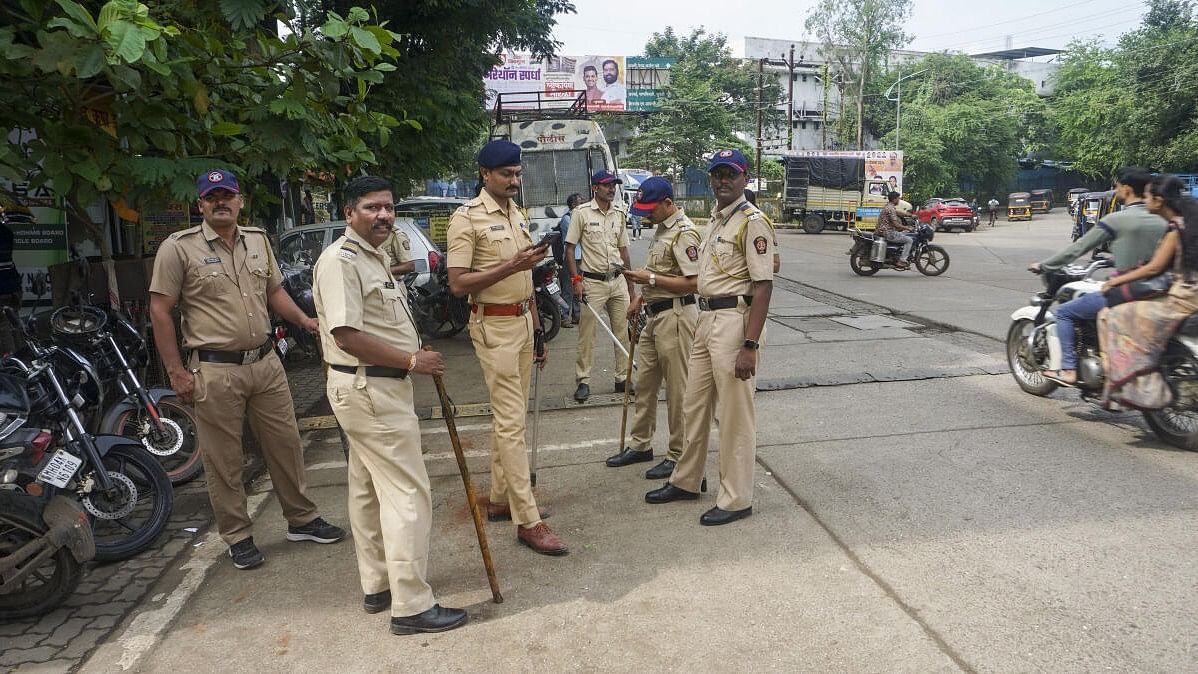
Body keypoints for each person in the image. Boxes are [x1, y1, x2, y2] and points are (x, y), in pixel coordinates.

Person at [148, 169, 346, 570]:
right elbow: (160, 310)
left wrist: (306, 321)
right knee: (225, 460)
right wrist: (176, 371)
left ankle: (302, 518)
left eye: (228, 195)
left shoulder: (257, 240)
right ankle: (238, 536)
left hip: (266, 362)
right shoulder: (178, 248)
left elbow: (274, 292)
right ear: (200, 204)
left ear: (240, 201)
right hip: (214, 370)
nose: (221, 202)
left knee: (286, 445)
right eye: (212, 196)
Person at [312, 176, 466, 635]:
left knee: (366, 489)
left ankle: (379, 584)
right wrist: (413, 359)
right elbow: (346, 335)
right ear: (348, 213)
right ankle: (412, 605)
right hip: (370, 390)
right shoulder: (340, 262)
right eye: (372, 208)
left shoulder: (374, 257)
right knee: (407, 494)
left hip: (374, 389)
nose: (383, 215)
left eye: (389, 207)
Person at [446, 140, 565, 556]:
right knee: (511, 422)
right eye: (506, 174)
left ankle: (501, 499)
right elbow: (458, 283)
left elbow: (526, 279)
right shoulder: (466, 219)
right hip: (491, 325)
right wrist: (512, 264)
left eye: (517, 174)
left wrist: (535, 328)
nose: (515, 181)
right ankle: (528, 519)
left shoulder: (517, 213)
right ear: (485, 174)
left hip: (520, 321)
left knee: (508, 421)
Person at [645, 148, 775, 526]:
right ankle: (687, 480)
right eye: (717, 174)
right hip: (705, 319)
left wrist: (749, 345)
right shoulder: (717, 221)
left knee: (734, 416)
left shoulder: (752, 222)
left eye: (730, 175)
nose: (722, 181)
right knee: (693, 404)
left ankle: (736, 499)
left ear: (744, 179)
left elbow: (764, 286)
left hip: (735, 321)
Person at [606, 177, 706, 480]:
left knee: (678, 390)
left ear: (668, 203)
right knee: (645, 384)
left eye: (651, 209)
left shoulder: (685, 234)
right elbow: (660, 272)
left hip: (677, 318)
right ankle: (641, 444)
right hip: (654, 315)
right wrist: (640, 300)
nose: (646, 215)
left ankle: (679, 455)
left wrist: (648, 281)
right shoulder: (662, 229)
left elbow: (695, 283)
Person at [1029, 167, 1164, 386]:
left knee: (1064, 312)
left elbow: (1079, 247)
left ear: (1127, 189)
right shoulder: (1162, 218)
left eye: (1117, 185)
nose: (1115, 189)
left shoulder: (1117, 219)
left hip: (1128, 291)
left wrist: (1044, 265)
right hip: (1159, 291)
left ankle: (1068, 370)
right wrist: (1115, 259)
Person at [1099, 174, 1198, 409]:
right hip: (1189, 295)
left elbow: (1154, 267)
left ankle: (1129, 387)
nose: (1143, 200)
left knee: (1110, 316)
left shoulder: (1176, 229)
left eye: (1146, 196)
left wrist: (1116, 281)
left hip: (1183, 300)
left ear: (1159, 200)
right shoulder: (1190, 225)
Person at [566, 169, 634, 402]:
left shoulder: (619, 214)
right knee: (588, 336)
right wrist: (576, 281)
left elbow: (623, 250)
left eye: (613, 185)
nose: (611, 189)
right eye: (606, 185)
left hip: (618, 281)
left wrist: (631, 284)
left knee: (622, 331)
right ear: (596, 188)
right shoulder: (581, 213)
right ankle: (583, 381)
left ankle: (622, 378)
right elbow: (569, 248)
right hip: (592, 283)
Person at [555, 193, 583, 328]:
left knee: (579, 287)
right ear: (573, 205)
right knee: (568, 288)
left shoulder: (580, 217)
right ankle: (564, 316)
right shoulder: (566, 219)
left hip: (580, 258)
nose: (583, 204)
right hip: (570, 258)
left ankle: (576, 316)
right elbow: (578, 236)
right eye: (580, 202)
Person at [875, 191, 913, 270]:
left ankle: (897, 254)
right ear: (894, 199)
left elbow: (897, 212)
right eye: (898, 198)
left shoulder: (889, 206)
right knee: (909, 240)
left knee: (903, 234)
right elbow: (896, 224)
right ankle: (902, 260)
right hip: (888, 233)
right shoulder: (890, 209)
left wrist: (909, 215)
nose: (899, 200)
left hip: (883, 231)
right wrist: (907, 227)